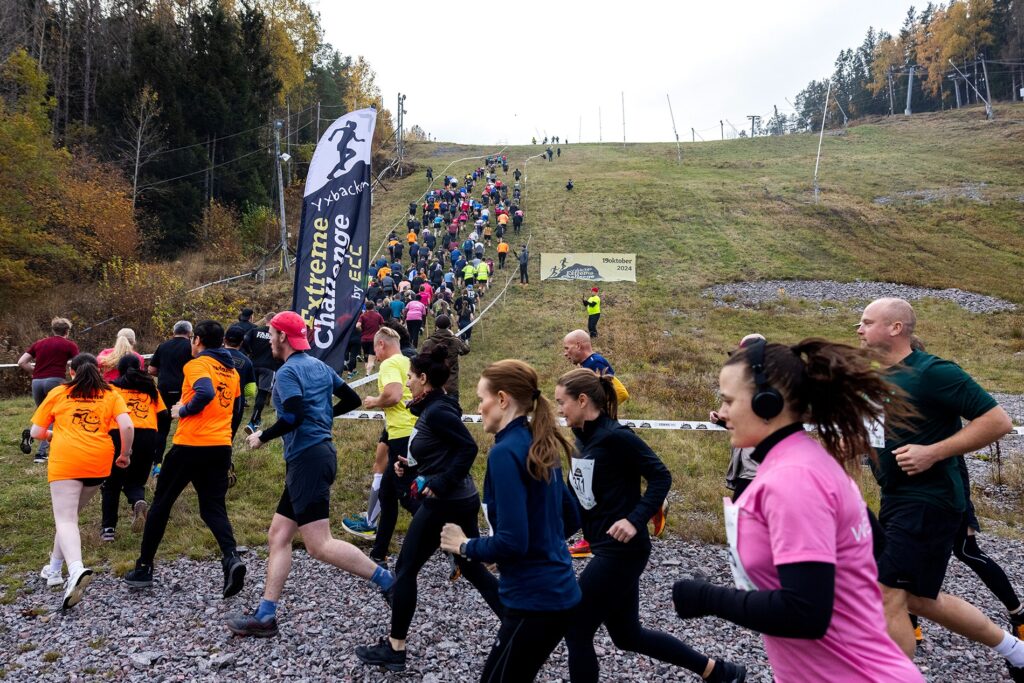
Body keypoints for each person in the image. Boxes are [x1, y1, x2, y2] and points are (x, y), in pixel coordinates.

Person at [671, 338, 924, 682]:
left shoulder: (793, 478)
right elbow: (875, 548)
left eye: (729, 401)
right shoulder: (808, 460)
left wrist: (704, 597)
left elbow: (805, 612)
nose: (723, 412)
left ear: (767, 402)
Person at [856, 298, 1023, 677]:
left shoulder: (933, 371)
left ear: (896, 328)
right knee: (918, 599)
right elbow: (870, 440)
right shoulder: (876, 381)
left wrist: (933, 452)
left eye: (867, 322)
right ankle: (1017, 652)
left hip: (929, 501)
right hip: (895, 500)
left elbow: (997, 421)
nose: (859, 329)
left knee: (886, 591)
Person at [556, 369, 746, 683]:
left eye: (562, 402)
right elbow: (580, 504)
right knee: (627, 635)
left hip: (622, 552)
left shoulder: (616, 437)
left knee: (576, 627)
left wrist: (635, 519)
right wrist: (544, 542)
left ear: (582, 400)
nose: (560, 410)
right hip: (605, 548)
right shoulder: (581, 441)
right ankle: (719, 672)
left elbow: (661, 476)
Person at [225, 313, 394, 637]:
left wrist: (262, 436)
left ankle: (388, 582)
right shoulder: (319, 366)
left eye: (272, 334)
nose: (269, 339)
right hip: (314, 457)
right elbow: (352, 399)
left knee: (319, 544)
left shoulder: (288, 372)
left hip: (308, 459)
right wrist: (325, 415)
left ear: (283, 337)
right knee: (279, 535)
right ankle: (266, 615)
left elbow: (293, 416)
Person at [355, 347, 503, 671]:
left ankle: (396, 648)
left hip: (445, 502)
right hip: (459, 498)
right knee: (471, 566)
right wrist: (410, 466)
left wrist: (440, 483)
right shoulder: (434, 407)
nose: (407, 382)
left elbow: (468, 447)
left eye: (410, 377)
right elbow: (444, 451)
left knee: (406, 569)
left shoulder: (437, 411)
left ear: (423, 379)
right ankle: (517, 623)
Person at [440, 359, 580, 682]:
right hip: (555, 593)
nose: (479, 407)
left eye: (482, 398)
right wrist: (516, 548)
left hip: (535, 602)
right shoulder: (539, 441)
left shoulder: (505, 453)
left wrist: (464, 545)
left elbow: (514, 542)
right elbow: (570, 518)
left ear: (502, 399)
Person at [125, 320, 246, 598]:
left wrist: (183, 410)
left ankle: (143, 568)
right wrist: (226, 438)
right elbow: (237, 409)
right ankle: (231, 558)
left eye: (193, 339)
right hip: (219, 447)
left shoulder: (197, 365)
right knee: (212, 508)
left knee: (161, 505)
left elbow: (205, 392)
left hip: (190, 445)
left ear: (198, 340)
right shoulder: (231, 371)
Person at [31, 353, 133, 609]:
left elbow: (36, 432)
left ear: (72, 372)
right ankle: (54, 569)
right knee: (69, 517)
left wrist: (52, 435)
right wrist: (125, 454)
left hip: (67, 460)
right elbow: (127, 426)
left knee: (65, 519)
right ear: (99, 370)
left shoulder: (59, 392)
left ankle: (75, 569)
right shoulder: (111, 393)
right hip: (98, 461)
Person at [342, 327, 419, 566]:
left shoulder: (388, 364)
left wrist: (374, 401)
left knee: (406, 496)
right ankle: (379, 554)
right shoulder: (408, 361)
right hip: (411, 431)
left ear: (382, 345)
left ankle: (448, 541)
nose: (375, 354)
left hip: (402, 434)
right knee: (387, 493)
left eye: (375, 348)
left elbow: (393, 395)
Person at [100, 355, 167, 542]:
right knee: (136, 481)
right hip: (147, 434)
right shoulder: (150, 388)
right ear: (140, 367)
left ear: (119, 369)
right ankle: (138, 500)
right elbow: (163, 415)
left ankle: (108, 529)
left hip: (118, 434)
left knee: (112, 483)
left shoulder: (111, 389)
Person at [19, 317, 79, 464]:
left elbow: (21, 362)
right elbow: (79, 363)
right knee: (53, 415)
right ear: (67, 331)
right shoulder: (69, 345)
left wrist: (35, 372)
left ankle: (31, 435)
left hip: (37, 382)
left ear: (53, 330)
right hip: (55, 381)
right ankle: (41, 454)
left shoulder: (39, 343)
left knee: (42, 414)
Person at [148, 321, 193, 468]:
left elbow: (151, 370)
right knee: (186, 425)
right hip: (184, 391)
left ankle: (157, 462)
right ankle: (182, 462)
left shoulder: (162, 346)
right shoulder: (192, 347)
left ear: (174, 332)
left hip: (164, 390)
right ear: (190, 333)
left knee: (162, 428)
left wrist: (164, 374)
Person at [242, 314, 281, 434]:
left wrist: (250, 351)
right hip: (269, 366)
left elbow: (244, 340)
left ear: (266, 320)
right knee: (262, 394)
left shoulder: (255, 331)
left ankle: (234, 414)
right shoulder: (276, 334)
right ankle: (253, 421)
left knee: (242, 390)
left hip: (253, 365)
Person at [420, 314, 470, 404]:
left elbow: (421, 360)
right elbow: (466, 349)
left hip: (433, 385)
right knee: (453, 410)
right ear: (449, 326)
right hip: (451, 385)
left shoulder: (428, 343)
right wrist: (454, 336)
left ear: (436, 326)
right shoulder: (455, 341)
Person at [223, 325, 258, 441]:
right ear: (242, 342)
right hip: (236, 404)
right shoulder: (247, 362)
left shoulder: (214, 356)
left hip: (214, 401)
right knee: (228, 437)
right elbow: (251, 390)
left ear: (224, 339)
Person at [356, 303, 385, 375]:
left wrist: (361, 330)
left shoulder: (363, 316)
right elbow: (383, 325)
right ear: (373, 307)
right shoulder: (378, 315)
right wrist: (380, 331)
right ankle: (367, 374)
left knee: (366, 359)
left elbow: (357, 326)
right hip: (374, 340)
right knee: (371, 359)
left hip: (364, 340)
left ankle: (367, 374)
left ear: (366, 307)